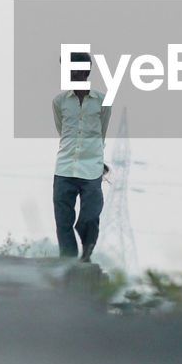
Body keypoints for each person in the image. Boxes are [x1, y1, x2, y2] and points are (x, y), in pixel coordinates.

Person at [52, 50, 111, 262]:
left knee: (89, 217)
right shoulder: (59, 102)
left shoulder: (102, 101)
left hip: (91, 169)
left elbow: (101, 133)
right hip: (65, 168)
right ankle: (68, 262)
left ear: (82, 71)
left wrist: (97, 159)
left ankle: (85, 258)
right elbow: (63, 132)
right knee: (63, 221)